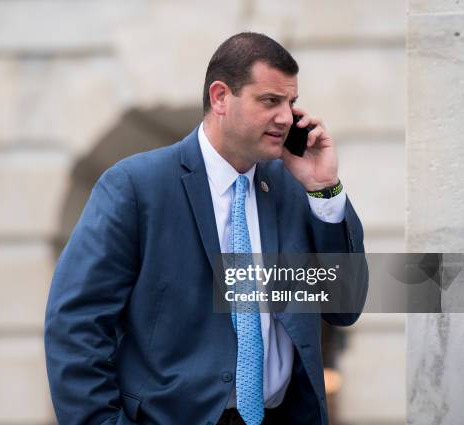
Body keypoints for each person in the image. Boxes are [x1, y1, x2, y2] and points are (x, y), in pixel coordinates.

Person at [45, 32, 368, 425]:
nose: (286, 117)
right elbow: (76, 326)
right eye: (270, 101)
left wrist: (324, 189)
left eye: (291, 102)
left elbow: (345, 307)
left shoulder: (295, 187)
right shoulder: (135, 187)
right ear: (220, 98)